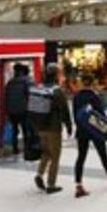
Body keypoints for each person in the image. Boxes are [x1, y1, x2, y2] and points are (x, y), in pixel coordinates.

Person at [31, 63, 72, 194]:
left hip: (40, 127)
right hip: (53, 128)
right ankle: (51, 184)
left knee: (46, 152)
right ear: (56, 75)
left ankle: (39, 174)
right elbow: (64, 110)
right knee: (55, 156)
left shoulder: (38, 87)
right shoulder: (57, 91)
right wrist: (69, 125)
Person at [73, 73, 107, 198]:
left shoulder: (77, 97)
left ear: (82, 83)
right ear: (92, 83)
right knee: (103, 154)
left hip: (82, 131)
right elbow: (101, 115)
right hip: (95, 130)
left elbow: (75, 115)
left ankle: (78, 184)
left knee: (81, 157)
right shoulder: (95, 96)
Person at [5, 63, 30, 155]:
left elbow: (6, 97)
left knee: (15, 130)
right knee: (25, 130)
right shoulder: (26, 82)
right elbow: (29, 96)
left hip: (12, 111)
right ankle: (27, 148)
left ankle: (15, 148)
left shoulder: (10, 83)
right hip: (23, 110)